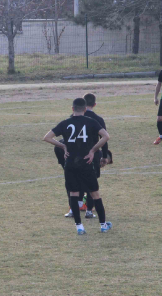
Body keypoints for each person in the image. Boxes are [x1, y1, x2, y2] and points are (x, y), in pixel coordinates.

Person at [44, 98, 111, 235]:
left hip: (70, 163)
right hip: (86, 162)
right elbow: (106, 136)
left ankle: (79, 227)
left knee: (73, 194)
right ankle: (103, 225)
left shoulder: (65, 123)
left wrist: (63, 146)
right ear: (85, 109)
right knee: (95, 194)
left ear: (72, 109)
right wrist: (93, 150)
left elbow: (47, 137)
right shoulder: (91, 122)